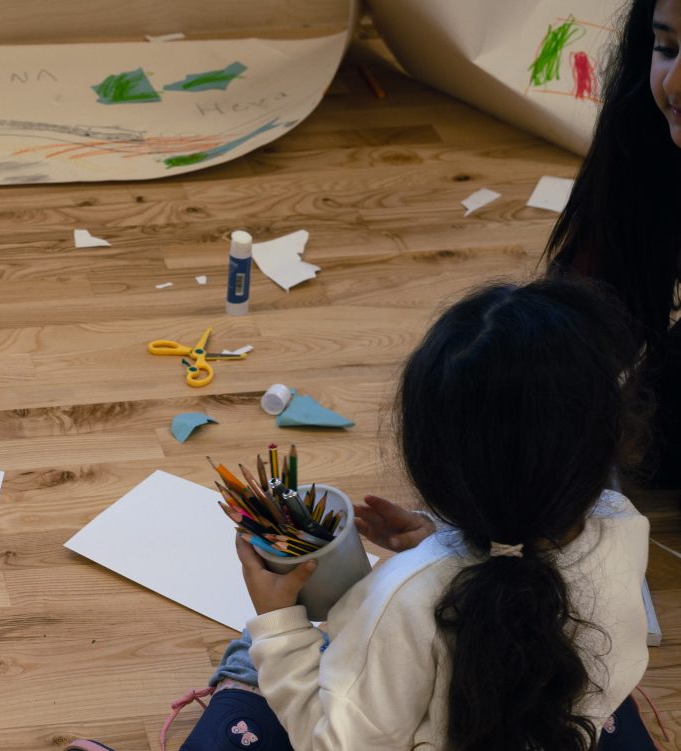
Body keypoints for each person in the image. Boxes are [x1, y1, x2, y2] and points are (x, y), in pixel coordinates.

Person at [69, 278, 656, 751]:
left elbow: (335, 743)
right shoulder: (624, 525)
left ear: (431, 459)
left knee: (254, 658)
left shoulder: (399, 599)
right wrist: (447, 544)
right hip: (559, 726)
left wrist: (278, 624)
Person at [546, 0, 681, 498]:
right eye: (666, 48)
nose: (673, 84)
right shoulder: (642, 128)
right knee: (654, 447)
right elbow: (596, 290)